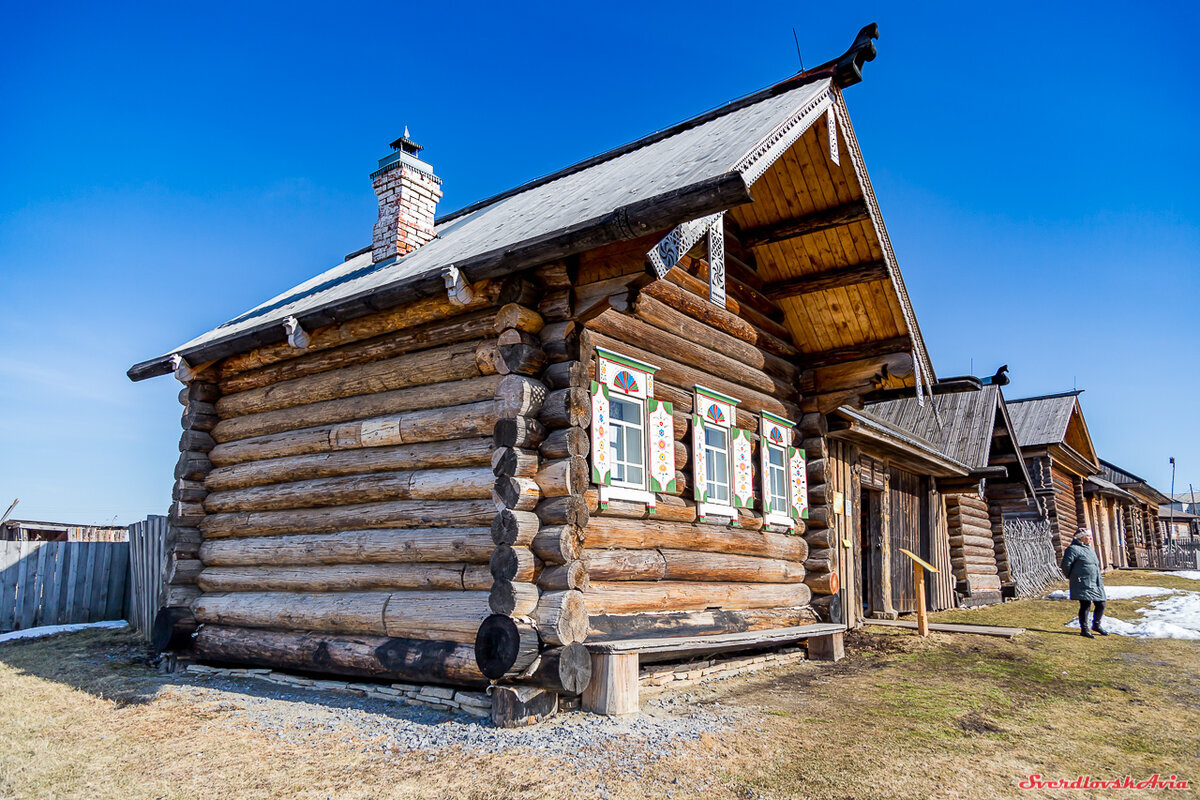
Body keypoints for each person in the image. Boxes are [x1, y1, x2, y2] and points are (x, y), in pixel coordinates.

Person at [1060, 529, 1107, 638]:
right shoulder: (1073, 549)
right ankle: (1084, 629)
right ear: (1081, 538)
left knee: (1101, 603)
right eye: (1088, 536)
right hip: (1082, 581)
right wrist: (1073, 576)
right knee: (1085, 604)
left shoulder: (1090, 549)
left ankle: (1096, 625)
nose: (1090, 538)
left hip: (1095, 581)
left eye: (1091, 536)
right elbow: (1065, 565)